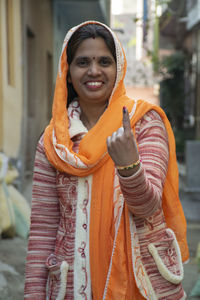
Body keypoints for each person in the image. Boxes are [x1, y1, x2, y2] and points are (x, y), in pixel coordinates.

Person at [24, 21, 189, 300]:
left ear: (119, 68)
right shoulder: (54, 142)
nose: (94, 71)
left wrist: (129, 167)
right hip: (73, 287)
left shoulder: (143, 123)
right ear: (68, 71)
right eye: (82, 62)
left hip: (141, 285)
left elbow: (148, 207)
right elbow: (43, 229)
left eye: (104, 61)